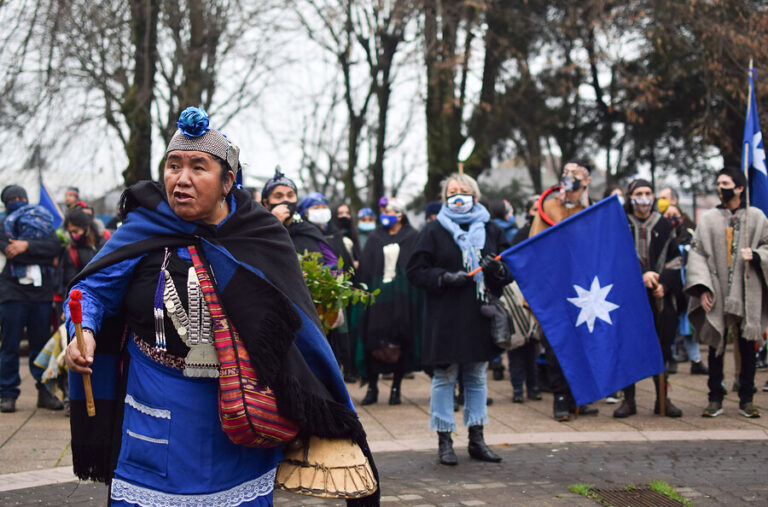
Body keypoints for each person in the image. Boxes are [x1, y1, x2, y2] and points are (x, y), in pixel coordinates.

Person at [64, 107, 378, 505]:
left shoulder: (260, 235)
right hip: (156, 407)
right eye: (173, 165)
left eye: (199, 167)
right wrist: (83, 331)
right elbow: (91, 290)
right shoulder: (144, 229)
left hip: (242, 416)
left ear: (228, 180)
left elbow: (300, 332)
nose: (182, 178)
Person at [407, 172, 510, 466]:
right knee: (444, 377)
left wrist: (495, 271)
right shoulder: (433, 230)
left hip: (479, 314)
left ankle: (477, 439)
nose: (458, 195)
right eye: (452, 191)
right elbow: (415, 271)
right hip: (445, 316)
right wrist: (442, 277)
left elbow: (508, 269)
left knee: (476, 376)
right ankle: (444, 440)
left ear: (475, 196)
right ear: (445, 199)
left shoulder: (491, 229)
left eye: (463, 190)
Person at [685, 167, 768, 419]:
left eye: (725, 183)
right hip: (717, 287)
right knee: (716, 343)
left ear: (739, 188)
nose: (721, 187)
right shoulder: (709, 219)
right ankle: (714, 397)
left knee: (747, 344)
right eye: (719, 183)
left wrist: (755, 255)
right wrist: (702, 289)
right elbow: (697, 253)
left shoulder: (756, 217)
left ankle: (747, 398)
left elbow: (767, 245)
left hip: (747, 288)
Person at [528, 161, 599, 421]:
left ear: (586, 181)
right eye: (566, 174)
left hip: (583, 287)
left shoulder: (590, 209)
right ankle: (559, 396)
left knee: (581, 343)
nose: (569, 179)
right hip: (554, 285)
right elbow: (535, 242)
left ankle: (577, 396)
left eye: (575, 175)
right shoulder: (549, 206)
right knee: (556, 342)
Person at [614, 179, 683, 418]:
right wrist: (640, 277)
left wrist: (663, 283)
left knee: (661, 348)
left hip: (659, 299)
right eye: (639, 193)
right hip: (629, 298)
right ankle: (629, 400)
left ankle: (662, 399)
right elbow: (614, 260)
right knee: (628, 348)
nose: (644, 198)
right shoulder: (620, 224)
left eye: (647, 193)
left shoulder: (664, 225)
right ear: (630, 197)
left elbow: (675, 259)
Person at [0, 185, 64, 413]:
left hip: (41, 293)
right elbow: (8, 249)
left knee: (41, 345)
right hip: (12, 293)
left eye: (21, 198)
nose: (18, 201)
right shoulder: (3, 224)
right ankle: (7, 394)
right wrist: (40, 253)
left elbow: (54, 248)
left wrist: (26, 245)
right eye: (13, 199)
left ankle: (45, 392)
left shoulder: (45, 223)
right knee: (9, 346)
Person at [358, 197, 421, 406]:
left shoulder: (412, 237)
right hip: (378, 298)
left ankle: (396, 387)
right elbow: (366, 265)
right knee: (374, 339)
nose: (385, 214)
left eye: (390, 210)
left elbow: (415, 264)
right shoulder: (375, 237)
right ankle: (372, 386)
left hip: (402, 297)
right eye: (383, 210)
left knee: (401, 339)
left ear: (400, 214)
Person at [663, 203, 708, 375]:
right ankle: (670, 359)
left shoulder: (689, 235)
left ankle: (696, 360)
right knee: (669, 327)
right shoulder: (663, 235)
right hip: (670, 288)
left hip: (687, 289)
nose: (672, 218)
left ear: (681, 217)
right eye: (668, 215)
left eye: (675, 214)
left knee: (688, 327)